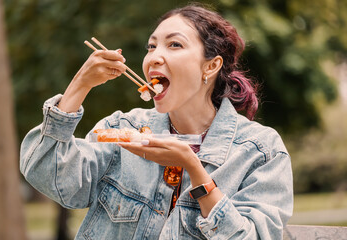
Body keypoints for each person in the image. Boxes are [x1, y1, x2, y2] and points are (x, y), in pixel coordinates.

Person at [20, 4, 293, 239]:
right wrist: (79, 86)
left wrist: (195, 170)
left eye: (174, 44)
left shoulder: (260, 151)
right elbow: (45, 172)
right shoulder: (123, 131)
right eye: (151, 46)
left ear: (210, 66)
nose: (154, 57)